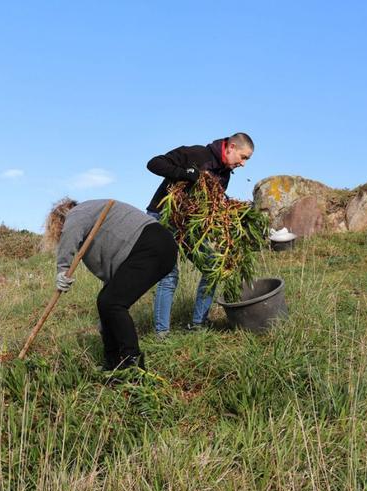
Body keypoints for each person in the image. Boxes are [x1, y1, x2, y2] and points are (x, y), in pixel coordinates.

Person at [45, 198, 177, 370]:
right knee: (107, 302)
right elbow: (114, 282)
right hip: (157, 248)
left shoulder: (77, 213)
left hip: (152, 243)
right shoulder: (97, 219)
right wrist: (106, 321)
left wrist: (63, 269)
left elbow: (71, 231)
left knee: (112, 303)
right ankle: (113, 363)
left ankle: (133, 364)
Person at [145, 132, 254, 337]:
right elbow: (154, 163)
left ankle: (198, 325)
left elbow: (210, 206)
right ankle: (162, 334)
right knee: (169, 275)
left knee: (213, 267)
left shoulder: (224, 175)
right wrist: (187, 173)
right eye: (243, 157)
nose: (243, 164)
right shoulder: (196, 153)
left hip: (187, 226)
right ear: (230, 147)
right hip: (163, 218)